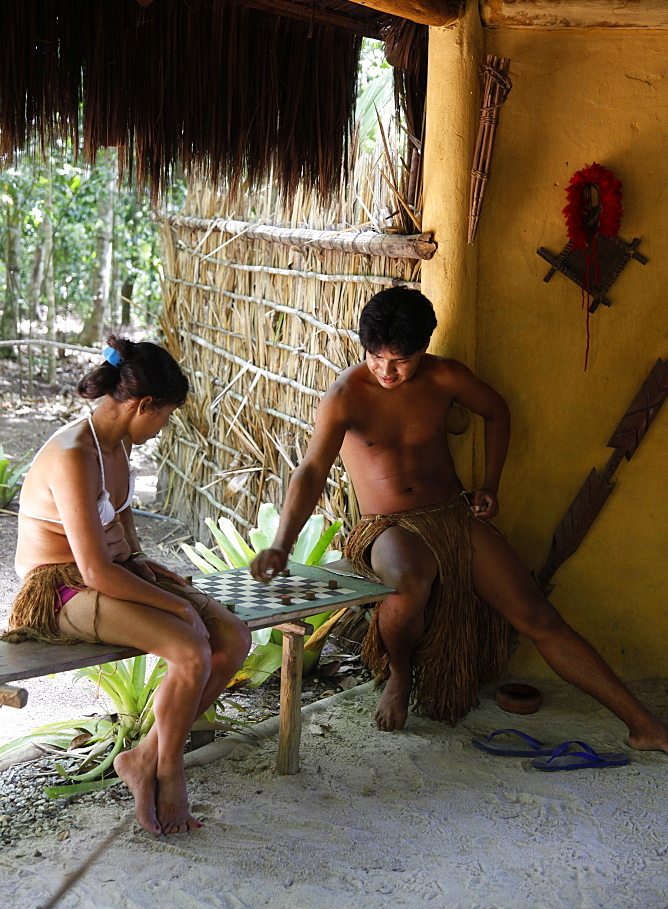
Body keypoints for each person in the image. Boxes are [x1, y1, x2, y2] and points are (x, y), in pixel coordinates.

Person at [251, 287, 668, 752]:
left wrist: (491, 484)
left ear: (424, 347)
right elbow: (310, 471)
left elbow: (497, 412)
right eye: (376, 357)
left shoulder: (445, 377)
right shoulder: (345, 396)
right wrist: (282, 545)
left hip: (451, 515)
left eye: (400, 360)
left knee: (538, 616)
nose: (386, 371)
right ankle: (400, 676)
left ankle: (643, 724)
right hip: (386, 526)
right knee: (409, 583)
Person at [3, 338, 251, 835]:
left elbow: (124, 533)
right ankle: (169, 769)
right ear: (143, 406)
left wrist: (153, 572)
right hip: (58, 591)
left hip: (112, 575)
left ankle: (144, 757)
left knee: (232, 638)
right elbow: (92, 571)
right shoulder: (75, 453)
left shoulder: (117, 446)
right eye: (165, 417)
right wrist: (175, 608)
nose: (163, 428)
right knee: (189, 648)